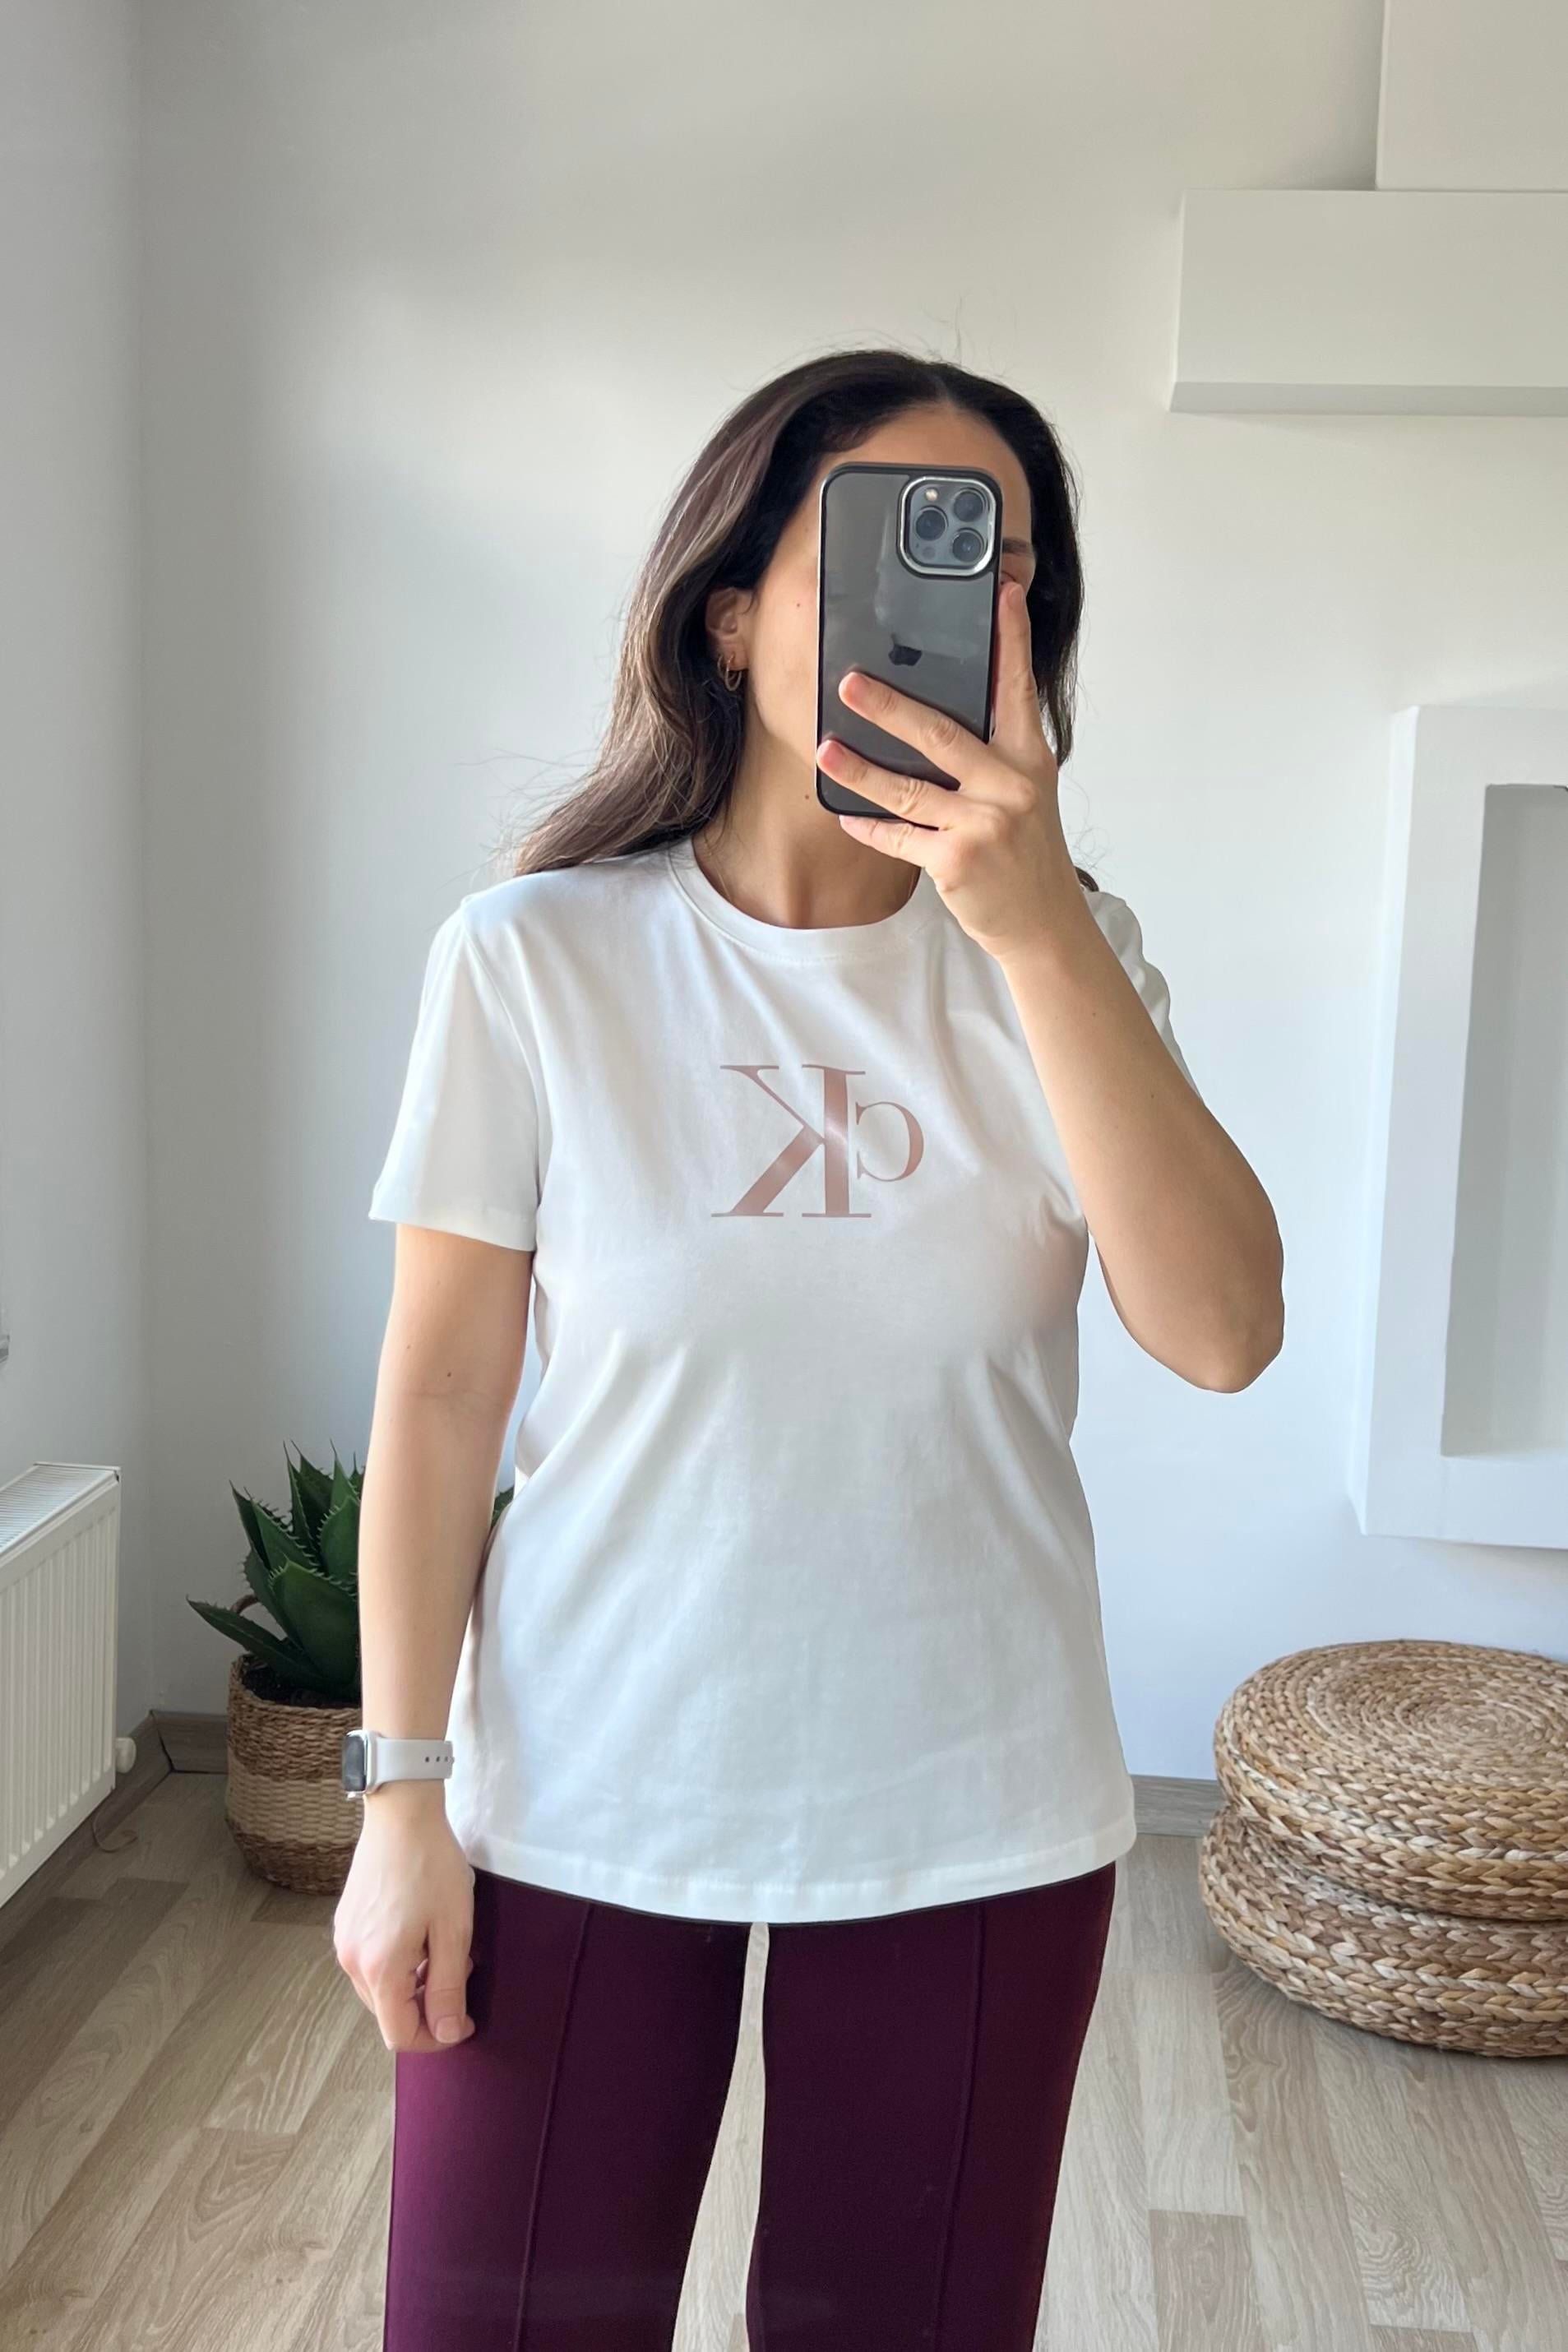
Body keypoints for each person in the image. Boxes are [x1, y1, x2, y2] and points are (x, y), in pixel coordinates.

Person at [334, 345, 1284, 2351]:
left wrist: (1036, 927)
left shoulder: (1072, 958)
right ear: (734, 608)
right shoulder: (534, 958)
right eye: (894, 545)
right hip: (577, 1786)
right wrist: (398, 1794)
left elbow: (1220, 1330)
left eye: (1001, 566)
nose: (959, 601)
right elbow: (437, 1398)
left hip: (974, 1803)